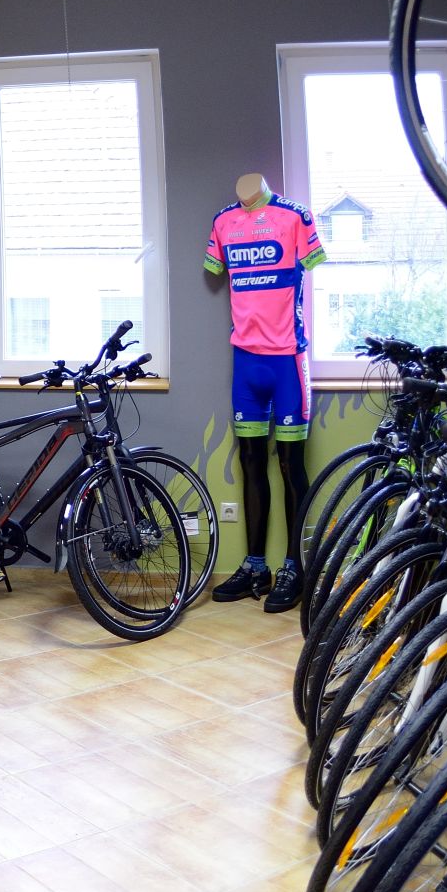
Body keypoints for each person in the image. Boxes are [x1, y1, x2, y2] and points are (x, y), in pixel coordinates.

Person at [202, 173, 326, 613]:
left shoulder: (295, 216)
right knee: (250, 462)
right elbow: (214, 271)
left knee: (291, 465)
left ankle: (295, 567)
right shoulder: (223, 222)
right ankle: (256, 565)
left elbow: (313, 265)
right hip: (246, 363)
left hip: (288, 360)